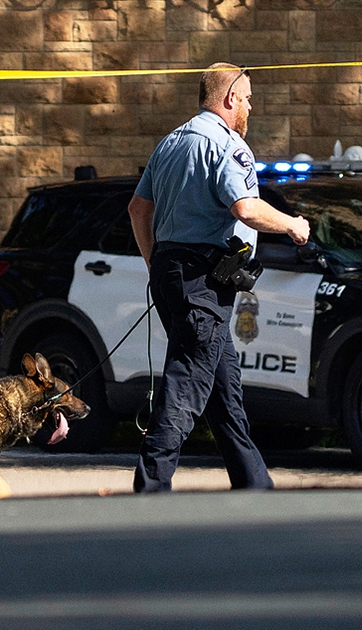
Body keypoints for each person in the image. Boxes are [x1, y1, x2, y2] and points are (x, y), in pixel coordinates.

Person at [129, 63, 311, 492]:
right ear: (229, 99)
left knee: (224, 393)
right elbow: (246, 209)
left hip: (175, 276)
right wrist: (291, 225)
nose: (249, 107)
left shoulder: (171, 142)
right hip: (203, 284)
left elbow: (138, 210)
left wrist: (156, 262)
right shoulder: (227, 145)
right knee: (187, 383)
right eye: (246, 98)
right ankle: (149, 490)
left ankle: (255, 486)